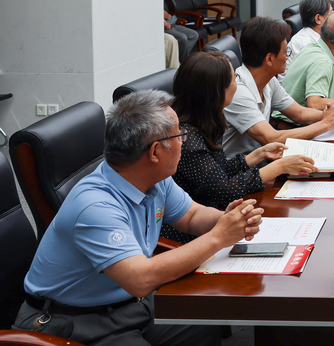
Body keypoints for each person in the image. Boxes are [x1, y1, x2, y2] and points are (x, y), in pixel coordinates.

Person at [13, 90, 264, 346]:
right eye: (179, 134)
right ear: (155, 151)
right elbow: (140, 279)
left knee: (203, 314)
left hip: (128, 303)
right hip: (71, 320)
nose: (184, 140)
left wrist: (227, 219)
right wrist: (218, 237)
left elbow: (191, 215)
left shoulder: (153, 178)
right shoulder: (95, 206)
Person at [161, 51, 319, 244]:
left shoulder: (205, 121)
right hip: (194, 235)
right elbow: (225, 190)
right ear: (216, 92)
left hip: (216, 219)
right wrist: (280, 166)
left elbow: (218, 172)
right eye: (233, 79)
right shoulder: (187, 139)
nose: (237, 82)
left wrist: (258, 154)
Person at [222, 16, 334, 156]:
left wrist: (330, 114)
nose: (287, 57)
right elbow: (271, 138)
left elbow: (299, 113)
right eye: (285, 52)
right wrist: (326, 123)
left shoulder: (268, 81)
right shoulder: (239, 92)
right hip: (241, 165)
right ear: (269, 59)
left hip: (261, 157)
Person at [284, 0, 334, 77]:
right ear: (318, 19)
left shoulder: (318, 36)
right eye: (331, 14)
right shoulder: (305, 43)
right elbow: (319, 77)